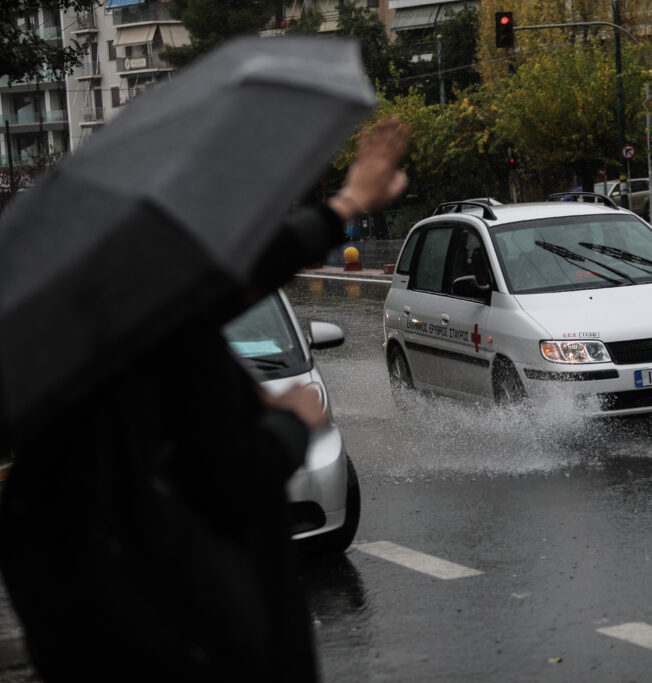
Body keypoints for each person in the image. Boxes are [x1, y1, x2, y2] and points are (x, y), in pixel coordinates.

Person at [0, 118, 409, 682]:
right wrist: (291, 424)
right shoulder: (165, 359)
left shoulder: (51, 368)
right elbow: (233, 481)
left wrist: (343, 209)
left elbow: (232, 275)